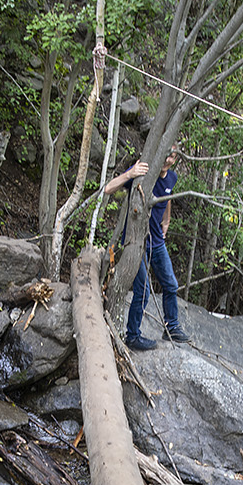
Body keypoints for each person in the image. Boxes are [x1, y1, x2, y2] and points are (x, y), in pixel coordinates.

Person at [104, 146, 190, 350]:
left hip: (157, 242)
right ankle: (133, 336)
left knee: (171, 284)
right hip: (136, 242)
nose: (168, 160)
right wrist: (130, 173)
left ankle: (172, 327)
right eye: (166, 154)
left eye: (173, 156)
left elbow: (166, 197)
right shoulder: (144, 174)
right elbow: (108, 189)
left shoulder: (172, 178)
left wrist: (166, 220)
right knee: (142, 291)